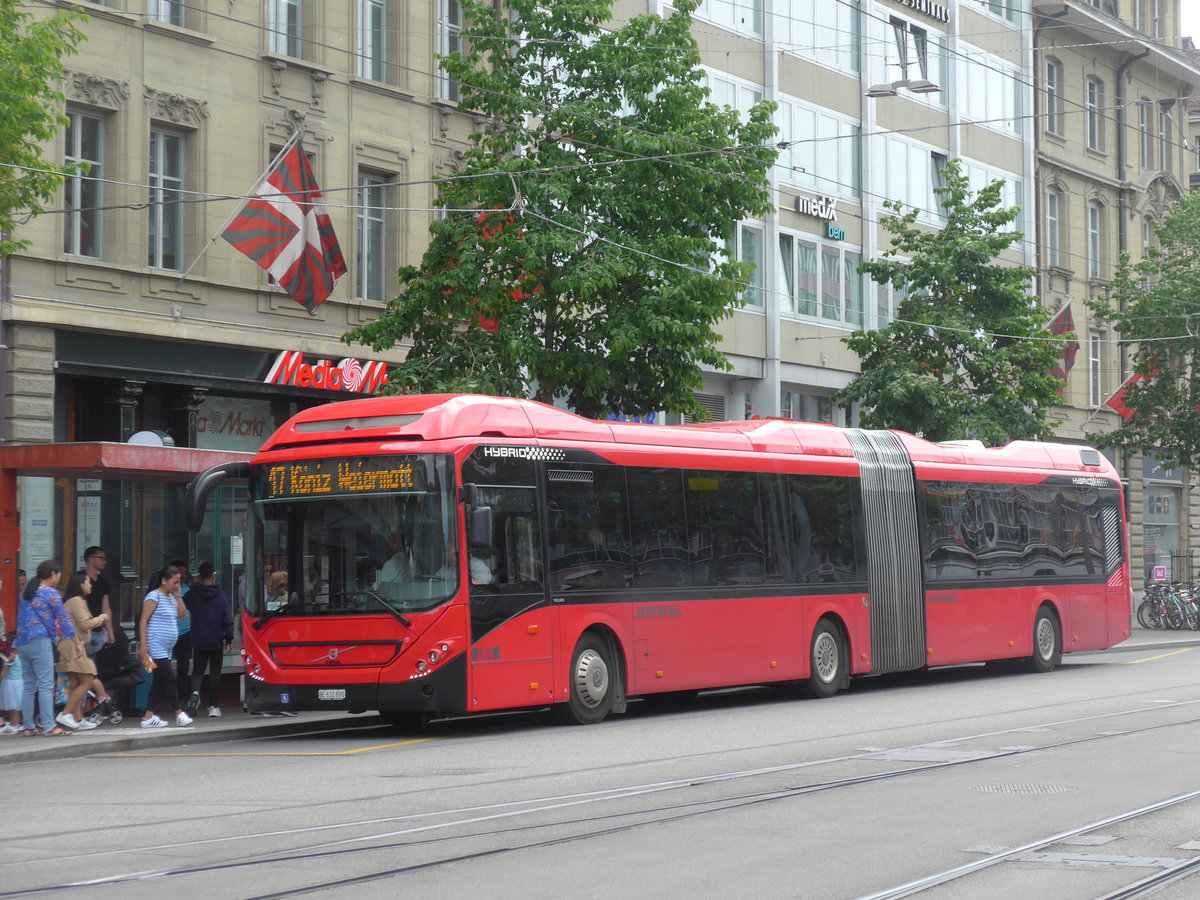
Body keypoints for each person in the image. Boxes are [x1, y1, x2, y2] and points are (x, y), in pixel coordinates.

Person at [15, 560, 79, 736]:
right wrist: (77, 642)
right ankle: (49, 726)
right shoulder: (51, 594)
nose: (59, 578)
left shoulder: (27, 593)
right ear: (53, 574)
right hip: (40, 641)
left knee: (29, 685)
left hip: (23, 642)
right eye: (58, 574)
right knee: (45, 685)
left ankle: (28, 726)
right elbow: (63, 619)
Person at [137, 566, 192, 728]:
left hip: (167, 648)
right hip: (155, 644)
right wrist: (144, 644)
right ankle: (178, 713)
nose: (177, 585)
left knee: (159, 681)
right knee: (170, 677)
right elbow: (143, 620)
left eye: (179, 582)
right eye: (174, 582)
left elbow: (182, 615)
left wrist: (178, 596)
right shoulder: (154, 596)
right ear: (164, 581)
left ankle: (148, 717)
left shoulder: (171, 597)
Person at [55, 571, 110, 731]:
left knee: (75, 683)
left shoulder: (76, 601)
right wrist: (103, 617)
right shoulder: (76, 601)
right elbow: (85, 624)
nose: (90, 584)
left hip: (73, 644)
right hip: (73, 645)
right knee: (87, 681)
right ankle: (65, 714)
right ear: (80, 584)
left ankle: (77, 718)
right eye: (87, 582)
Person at [184, 562, 233, 718]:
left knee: (197, 670)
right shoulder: (220, 595)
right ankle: (213, 706)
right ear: (213, 576)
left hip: (198, 638)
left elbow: (184, 602)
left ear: (199, 576)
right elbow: (226, 618)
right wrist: (229, 637)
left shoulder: (192, 594)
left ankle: (195, 693)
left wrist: (194, 584)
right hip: (216, 638)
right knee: (215, 672)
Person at [81, 547, 115, 651]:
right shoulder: (79, 578)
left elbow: (106, 608)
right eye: (101, 558)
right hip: (82, 631)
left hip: (98, 631)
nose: (104, 562)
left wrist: (110, 632)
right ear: (91, 559)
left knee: (97, 664)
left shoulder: (103, 582)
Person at [169, 559, 192, 703]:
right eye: (179, 573)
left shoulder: (188, 591)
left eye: (184, 573)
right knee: (165, 667)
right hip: (168, 634)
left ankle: (182, 697)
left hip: (185, 633)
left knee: (184, 667)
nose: (182, 576)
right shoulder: (165, 591)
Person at [1, 633, 22, 734]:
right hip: (13, 683)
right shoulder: (12, 658)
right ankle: (15, 723)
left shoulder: (18, 657)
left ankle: (14, 723)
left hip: (16, 682)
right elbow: (4, 671)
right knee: (15, 705)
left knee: (15, 705)